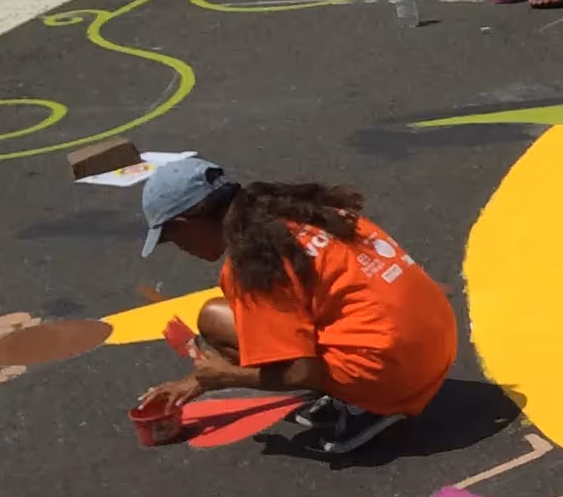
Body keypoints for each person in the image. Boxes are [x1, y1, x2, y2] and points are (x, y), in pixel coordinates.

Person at [137, 157, 461, 459]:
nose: (179, 248)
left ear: (184, 223)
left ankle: (369, 405)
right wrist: (197, 380)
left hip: (395, 372)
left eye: (171, 237)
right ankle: (362, 390)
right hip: (435, 342)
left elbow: (299, 371)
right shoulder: (301, 210)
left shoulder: (253, 261)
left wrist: (222, 377)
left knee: (225, 325)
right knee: (216, 316)